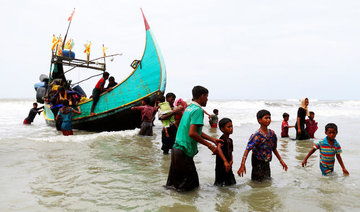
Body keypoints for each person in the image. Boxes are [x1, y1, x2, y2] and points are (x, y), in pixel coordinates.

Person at [166, 85, 223, 192]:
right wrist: (210, 146)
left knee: (175, 187)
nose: (207, 99)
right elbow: (192, 133)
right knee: (189, 188)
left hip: (176, 151)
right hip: (184, 153)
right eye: (206, 97)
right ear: (202, 96)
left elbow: (196, 131)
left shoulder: (189, 108)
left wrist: (213, 139)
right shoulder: (198, 110)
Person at [237, 109, 288, 181]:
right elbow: (247, 149)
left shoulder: (272, 134)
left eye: (269, 118)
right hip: (257, 161)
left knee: (267, 180)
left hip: (266, 161)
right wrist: (242, 164)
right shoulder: (257, 135)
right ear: (259, 120)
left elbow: (274, 148)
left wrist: (281, 161)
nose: (268, 120)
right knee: (257, 181)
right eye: (266, 118)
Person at [214, 118, 236, 186]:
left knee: (231, 183)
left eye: (232, 126)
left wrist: (231, 160)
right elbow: (219, 149)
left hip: (228, 164)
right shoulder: (222, 139)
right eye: (229, 127)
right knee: (220, 183)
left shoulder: (230, 140)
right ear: (222, 129)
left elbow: (230, 151)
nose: (231, 128)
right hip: (221, 164)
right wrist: (225, 161)